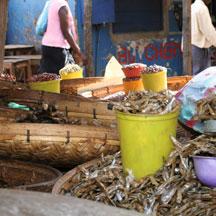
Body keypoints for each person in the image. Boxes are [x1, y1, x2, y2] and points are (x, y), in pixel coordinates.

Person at [40, 0, 85, 74]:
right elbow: (66, 32)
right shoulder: (62, 6)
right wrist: (80, 53)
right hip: (58, 49)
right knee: (63, 78)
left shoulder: (53, 2)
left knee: (48, 77)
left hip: (47, 46)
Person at [191, 0, 216, 75]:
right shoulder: (202, 9)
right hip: (199, 48)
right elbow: (208, 31)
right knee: (203, 76)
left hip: (192, 46)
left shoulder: (192, 7)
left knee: (195, 74)